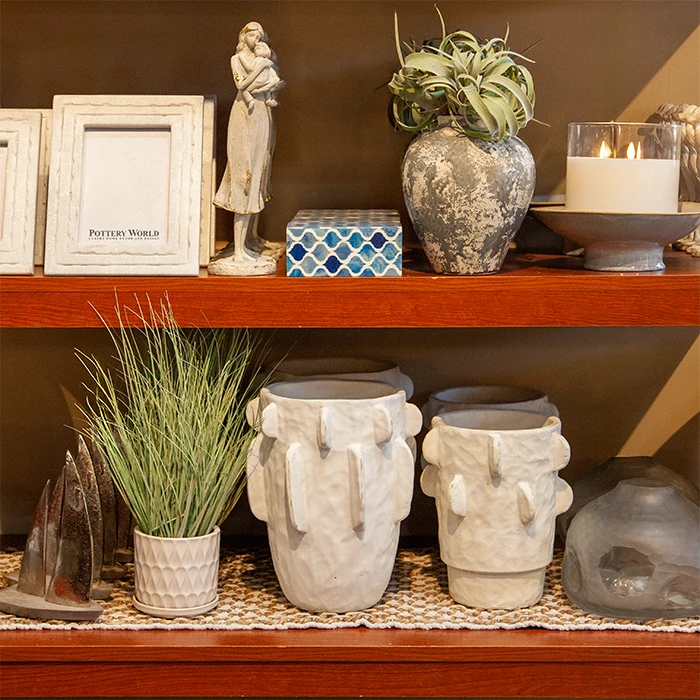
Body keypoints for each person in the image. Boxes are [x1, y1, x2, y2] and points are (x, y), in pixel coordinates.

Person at [210, 22, 284, 274]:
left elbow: (264, 84)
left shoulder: (263, 60)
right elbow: (242, 86)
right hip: (244, 115)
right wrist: (262, 72)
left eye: (260, 35)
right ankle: (239, 250)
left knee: (258, 173)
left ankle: (246, 244)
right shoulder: (238, 59)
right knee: (243, 176)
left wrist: (265, 80)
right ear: (244, 36)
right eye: (253, 34)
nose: (257, 39)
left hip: (261, 114)